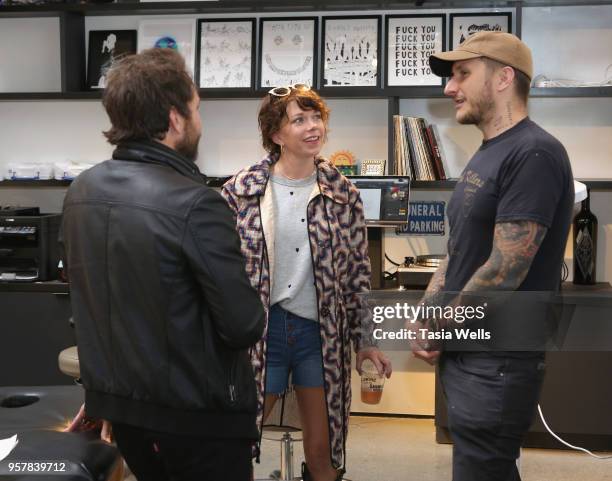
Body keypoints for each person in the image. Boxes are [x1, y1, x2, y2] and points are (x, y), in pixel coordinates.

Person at [60, 48, 265, 481]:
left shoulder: (82, 190)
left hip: (125, 413)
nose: (199, 122)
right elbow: (243, 324)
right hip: (199, 419)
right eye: (196, 109)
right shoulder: (195, 203)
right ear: (175, 120)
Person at [410, 32, 574, 481]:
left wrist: (442, 328)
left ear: (503, 78)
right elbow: (460, 248)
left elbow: (506, 268)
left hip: (497, 360)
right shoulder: (488, 153)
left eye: (463, 74)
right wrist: (427, 317)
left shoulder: (534, 152)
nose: (449, 87)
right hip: (470, 352)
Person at [221, 84, 392, 481]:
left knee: (323, 451)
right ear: (276, 134)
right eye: (299, 120)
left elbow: (357, 276)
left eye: (317, 118)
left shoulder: (342, 194)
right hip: (262, 333)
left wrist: (365, 341)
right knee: (234, 440)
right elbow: (222, 271)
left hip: (319, 334)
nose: (313, 127)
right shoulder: (241, 191)